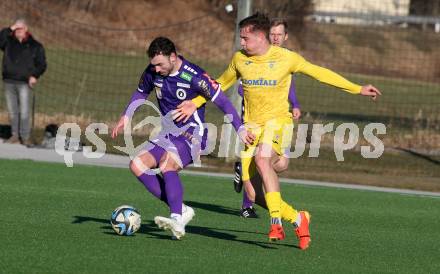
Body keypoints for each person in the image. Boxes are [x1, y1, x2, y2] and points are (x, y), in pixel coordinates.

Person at [173, 13, 381, 249]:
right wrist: (196, 102)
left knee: (263, 159)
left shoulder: (286, 58)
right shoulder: (240, 59)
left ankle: (275, 223)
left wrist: (357, 88)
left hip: (278, 123)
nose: (241, 43)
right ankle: (297, 218)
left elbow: (320, 73)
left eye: (245, 38)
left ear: (261, 37)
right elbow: (219, 84)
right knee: (252, 194)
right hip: (252, 128)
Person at [111, 37, 253, 240]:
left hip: (192, 134)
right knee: (136, 165)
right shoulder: (153, 71)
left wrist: (240, 129)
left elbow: (224, 103)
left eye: (160, 64)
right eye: (154, 65)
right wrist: (126, 116)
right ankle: (181, 209)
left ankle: (176, 218)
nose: (156, 69)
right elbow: (141, 92)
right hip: (167, 133)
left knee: (167, 163)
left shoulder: (195, 76)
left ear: (173, 57)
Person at [233, 18, 302, 219]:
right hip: (258, 120)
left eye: (280, 35)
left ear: (286, 37)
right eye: (273, 34)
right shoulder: (251, 56)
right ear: (265, 37)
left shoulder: (285, 59)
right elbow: (241, 83)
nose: (276, 38)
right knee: (263, 161)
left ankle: (291, 216)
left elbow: (289, 86)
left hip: (280, 118)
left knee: (280, 165)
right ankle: (249, 206)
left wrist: (295, 104)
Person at [0, 19, 47, 145]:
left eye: (20, 29)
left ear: (26, 29)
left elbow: (42, 64)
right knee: (12, 111)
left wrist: (35, 76)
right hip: (8, 81)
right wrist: (11, 27)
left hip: (24, 83)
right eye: (16, 29)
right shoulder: (8, 42)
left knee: (25, 111)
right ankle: (14, 135)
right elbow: (1, 38)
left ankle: (25, 137)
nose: (17, 32)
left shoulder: (35, 46)